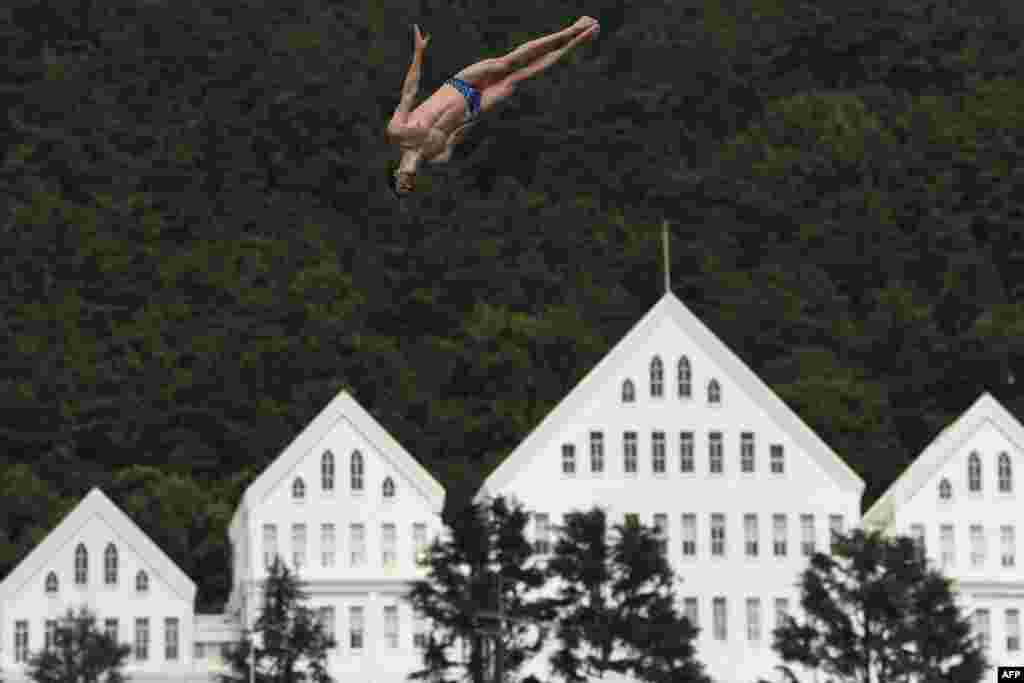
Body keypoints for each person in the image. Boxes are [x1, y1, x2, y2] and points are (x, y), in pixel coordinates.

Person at [385, 17, 600, 196]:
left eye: (402, 186)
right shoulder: (438, 157)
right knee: (518, 77)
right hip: (473, 106)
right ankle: (578, 40)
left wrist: (418, 53)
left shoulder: (398, 132)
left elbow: (409, 92)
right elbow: (460, 131)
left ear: (396, 174)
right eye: (409, 189)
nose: (408, 186)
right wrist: (471, 117)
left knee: (507, 63)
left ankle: (572, 30)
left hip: (459, 85)